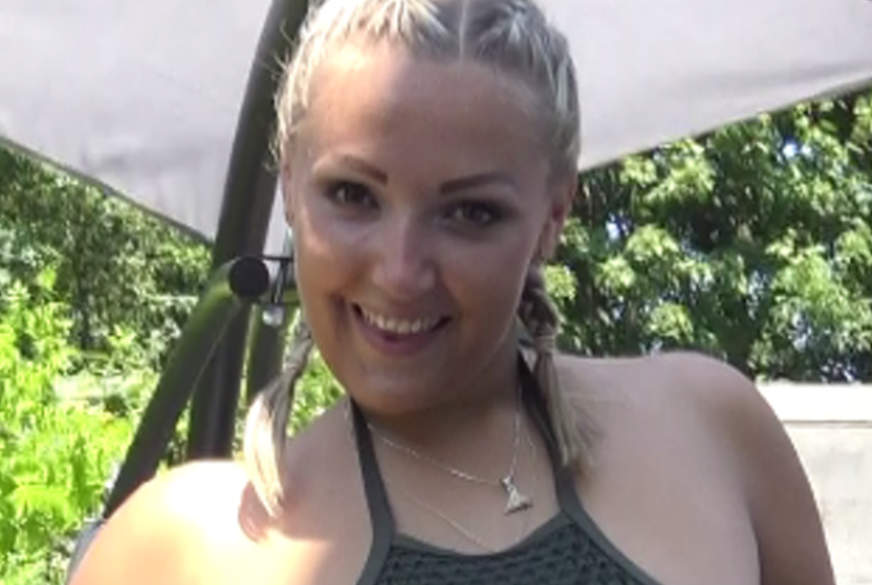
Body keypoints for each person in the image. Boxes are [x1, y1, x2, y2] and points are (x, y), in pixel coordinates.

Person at [70, 0, 835, 584]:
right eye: (353, 195)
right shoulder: (181, 548)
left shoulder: (709, 431)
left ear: (552, 217)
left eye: (470, 213)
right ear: (292, 186)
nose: (401, 271)